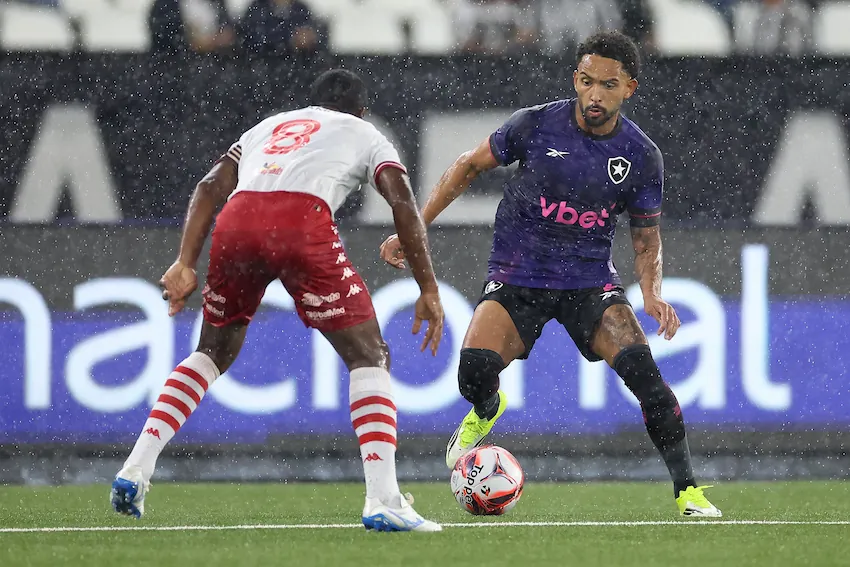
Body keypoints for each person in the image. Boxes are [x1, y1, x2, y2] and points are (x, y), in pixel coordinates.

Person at [380, 31, 721, 517]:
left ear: (630, 89)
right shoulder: (536, 125)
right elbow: (467, 165)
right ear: (575, 81)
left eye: (608, 84)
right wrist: (413, 227)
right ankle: (485, 409)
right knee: (474, 373)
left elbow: (646, 237)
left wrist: (651, 293)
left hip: (589, 284)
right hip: (517, 277)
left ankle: (688, 491)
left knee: (648, 380)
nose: (595, 94)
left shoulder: (642, 156)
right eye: (587, 82)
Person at [111, 69, 445, 533]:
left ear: (311, 105)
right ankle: (383, 498)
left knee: (210, 352)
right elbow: (402, 200)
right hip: (299, 219)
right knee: (370, 355)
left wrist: (184, 260)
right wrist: (428, 287)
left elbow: (210, 185)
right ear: (362, 110)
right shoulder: (367, 133)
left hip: (237, 218)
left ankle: (135, 469)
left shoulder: (270, 126)